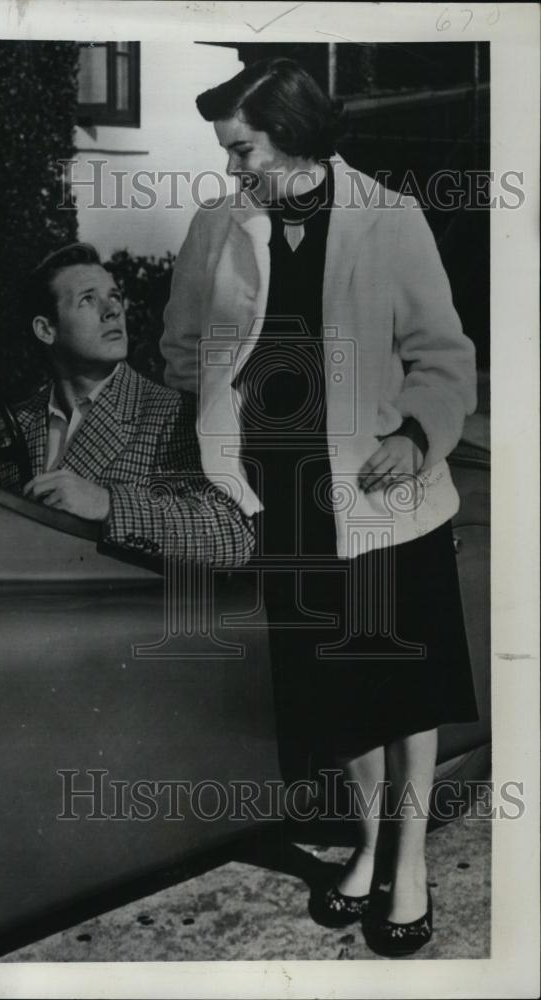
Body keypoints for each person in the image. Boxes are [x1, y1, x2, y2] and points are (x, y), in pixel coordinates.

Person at [159, 57, 479, 956]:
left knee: (403, 690)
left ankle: (406, 861)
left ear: (292, 137)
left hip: (385, 494)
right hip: (281, 495)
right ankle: (370, 844)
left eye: (243, 149)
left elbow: (445, 358)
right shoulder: (221, 222)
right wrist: (212, 425)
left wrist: (417, 436)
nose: (232, 169)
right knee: (332, 695)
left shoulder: (389, 220)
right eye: (227, 152)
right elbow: (183, 345)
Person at [0, 242, 255, 566]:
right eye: (88, 299)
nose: (112, 310)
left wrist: (107, 503)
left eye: (114, 296)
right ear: (45, 329)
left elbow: (232, 534)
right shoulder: (3, 427)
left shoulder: (174, 413)